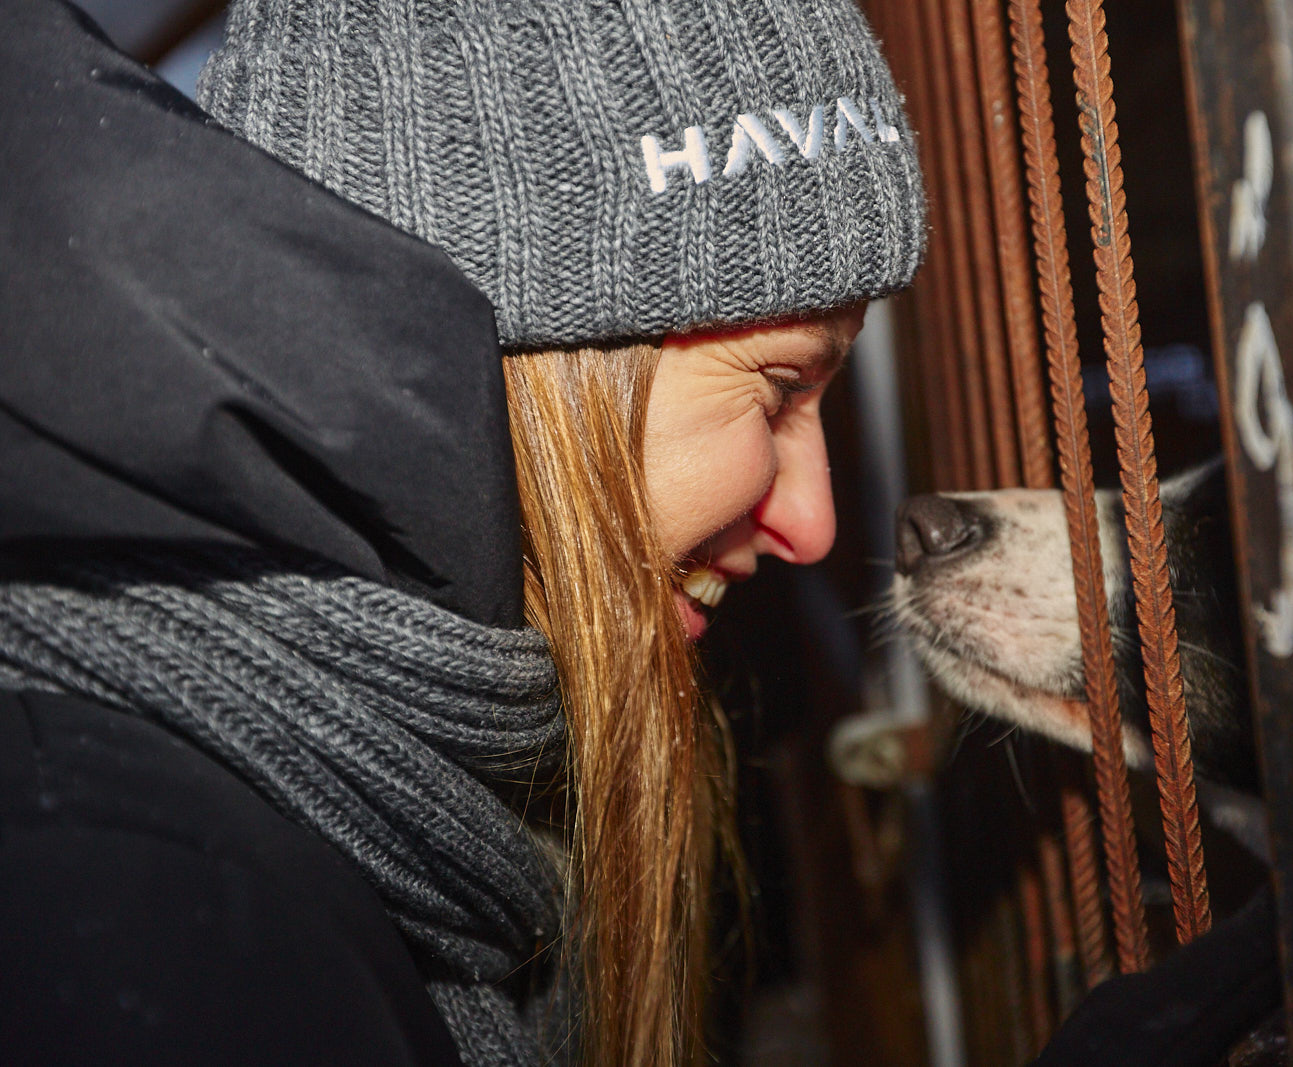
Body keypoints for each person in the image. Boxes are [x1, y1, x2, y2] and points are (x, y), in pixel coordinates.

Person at [0, 1, 924, 1064]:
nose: (812, 523)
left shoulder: (388, 816)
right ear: (542, 363)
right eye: (777, 390)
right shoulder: (141, 914)